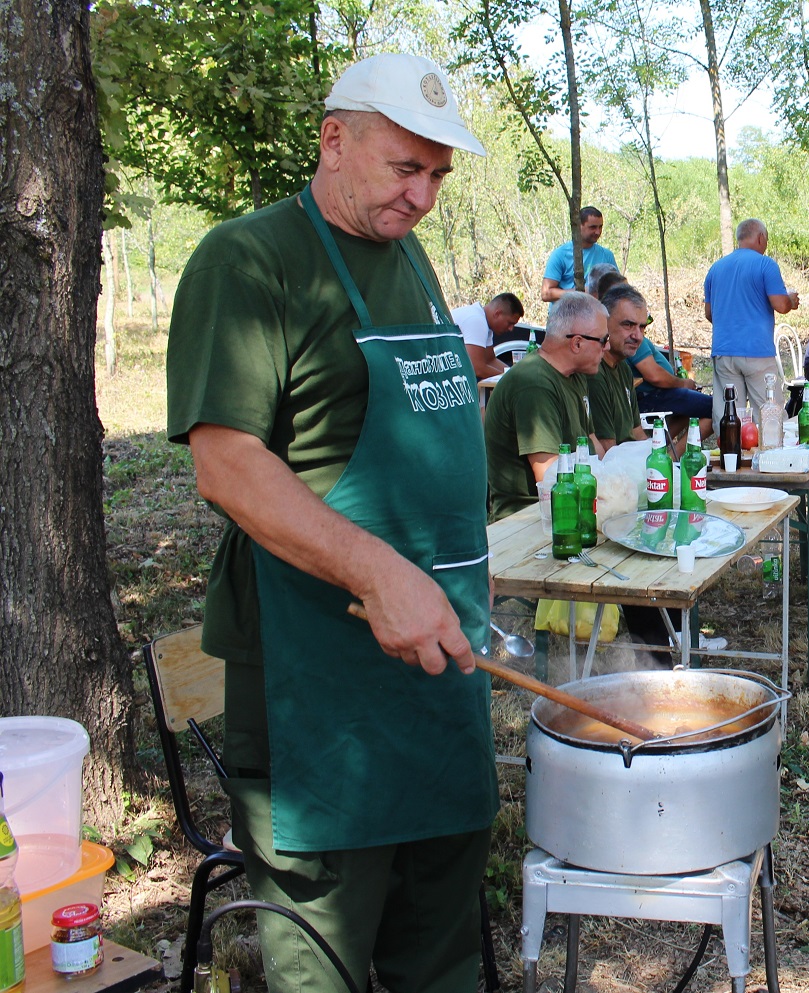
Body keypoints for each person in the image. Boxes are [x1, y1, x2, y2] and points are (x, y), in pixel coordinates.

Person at [166, 53, 496, 990]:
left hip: (442, 664)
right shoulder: (248, 258)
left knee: (441, 955)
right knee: (324, 960)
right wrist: (380, 573)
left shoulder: (409, 256)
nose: (422, 196)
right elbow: (226, 464)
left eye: (438, 175)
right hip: (317, 678)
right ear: (334, 139)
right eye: (405, 168)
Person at [484, 291, 610, 521]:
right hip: (529, 519)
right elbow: (550, 479)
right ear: (577, 343)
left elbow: (593, 444)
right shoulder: (534, 384)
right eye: (603, 340)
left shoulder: (575, 375)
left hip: (576, 503)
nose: (607, 347)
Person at [705, 217, 799, 419]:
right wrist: (790, 300)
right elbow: (781, 305)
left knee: (729, 416)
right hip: (757, 352)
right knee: (769, 416)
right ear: (760, 238)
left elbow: (710, 313)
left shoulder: (715, 269)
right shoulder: (765, 265)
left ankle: (730, 441)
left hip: (724, 352)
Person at [590, 285, 651, 452]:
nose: (638, 336)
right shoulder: (595, 372)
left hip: (630, 461)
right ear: (604, 322)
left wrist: (659, 458)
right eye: (628, 325)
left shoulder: (624, 368)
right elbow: (607, 450)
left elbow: (637, 432)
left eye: (642, 327)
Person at [632, 329, 714, 443]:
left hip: (659, 393)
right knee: (716, 408)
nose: (640, 328)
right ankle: (670, 452)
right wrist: (683, 383)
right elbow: (655, 376)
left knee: (693, 406)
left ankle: (660, 446)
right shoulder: (635, 339)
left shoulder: (635, 336)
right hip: (651, 395)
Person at [541, 207, 617, 305]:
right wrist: (580, 293)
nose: (598, 232)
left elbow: (618, 286)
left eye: (600, 227)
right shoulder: (560, 254)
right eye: (593, 227)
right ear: (579, 226)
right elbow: (546, 294)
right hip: (565, 312)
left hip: (596, 312)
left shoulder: (606, 255)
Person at [452, 292, 523, 380]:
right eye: (510, 323)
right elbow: (476, 368)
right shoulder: (477, 320)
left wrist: (514, 375)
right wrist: (511, 379)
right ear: (497, 314)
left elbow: (490, 360)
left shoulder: (484, 322)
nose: (511, 329)